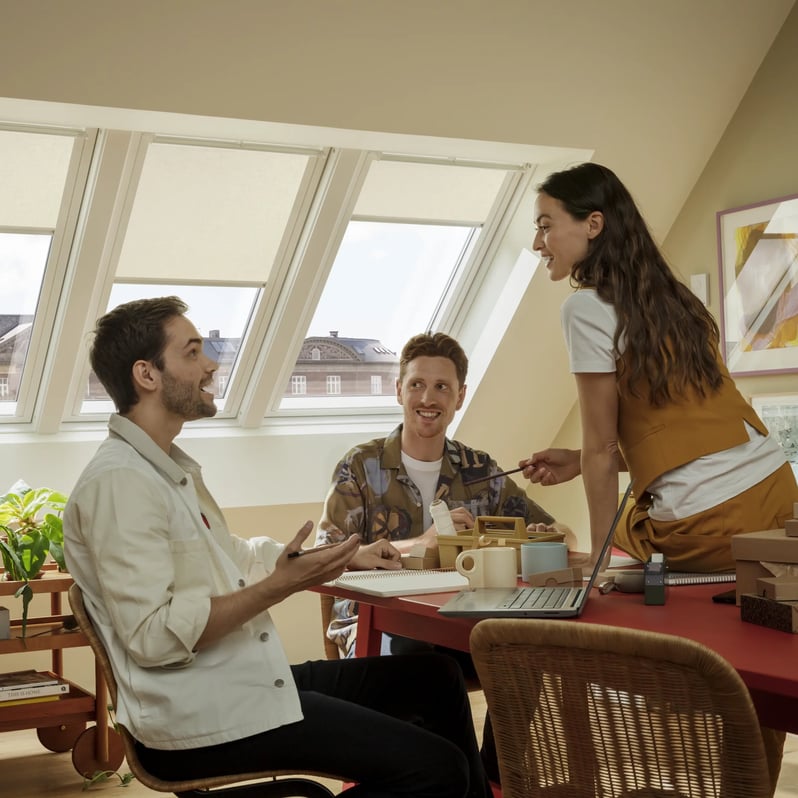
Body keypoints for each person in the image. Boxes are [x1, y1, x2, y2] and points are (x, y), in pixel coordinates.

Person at [63, 297, 492, 798]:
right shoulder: (121, 485)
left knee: (436, 678)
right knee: (435, 769)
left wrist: (335, 559)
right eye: (193, 352)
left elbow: (237, 555)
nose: (211, 364)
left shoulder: (165, 469)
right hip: (197, 713)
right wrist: (276, 589)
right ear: (148, 375)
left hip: (238, 680)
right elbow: (154, 637)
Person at [519, 161, 797, 790]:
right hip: (778, 498)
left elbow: (599, 449)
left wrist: (592, 567)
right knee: (764, 673)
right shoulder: (671, 298)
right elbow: (682, 432)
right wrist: (585, 457)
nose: (538, 243)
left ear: (593, 224)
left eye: (546, 226)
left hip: (709, 522)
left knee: (624, 579)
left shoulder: (584, 309)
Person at [317, 331, 572, 658]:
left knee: (526, 651)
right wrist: (420, 544)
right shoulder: (359, 467)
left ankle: (502, 713)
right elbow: (323, 556)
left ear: (460, 396)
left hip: (463, 624)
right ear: (399, 390)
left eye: (441, 387)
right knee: (414, 663)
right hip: (376, 626)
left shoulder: (479, 469)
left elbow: (563, 534)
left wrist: (544, 538)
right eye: (416, 384)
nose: (427, 399)